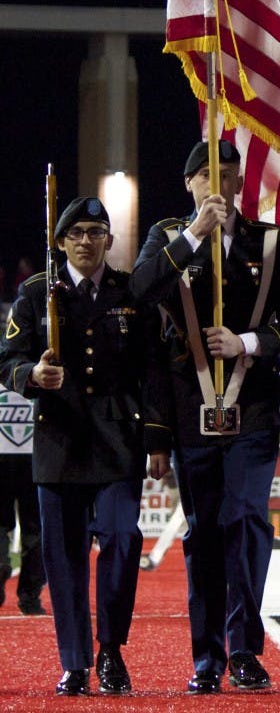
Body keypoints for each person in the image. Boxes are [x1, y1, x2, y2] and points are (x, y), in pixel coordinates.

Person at [131, 139, 280, 694]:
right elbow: (141, 292)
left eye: (229, 175)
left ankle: (243, 649)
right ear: (191, 184)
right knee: (204, 532)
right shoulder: (167, 237)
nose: (220, 184)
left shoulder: (270, 242)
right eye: (208, 176)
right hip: (191, 408)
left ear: (240, 184)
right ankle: (206, 657)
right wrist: (194, 237)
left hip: (252, 402)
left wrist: (252, 341)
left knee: (246, 519)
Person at [0, 197, 165, 697]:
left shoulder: (129, 294)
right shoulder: (35, 295)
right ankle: (75, 662)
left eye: (97, 232)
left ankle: (110, 649)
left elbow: (153, 371)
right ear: (60, 242)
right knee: (64, 557)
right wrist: (32, 375)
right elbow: (8, 359)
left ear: (110, 241)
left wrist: (157, 439)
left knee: (120, 538)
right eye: (77, 233)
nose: (87, 241)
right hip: (59, 440)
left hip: (118, 440)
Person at [0, 384, 46, 615]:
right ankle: (30, 597)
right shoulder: (44, 357)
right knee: (36, 528)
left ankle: (0, 563)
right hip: (35, 455)